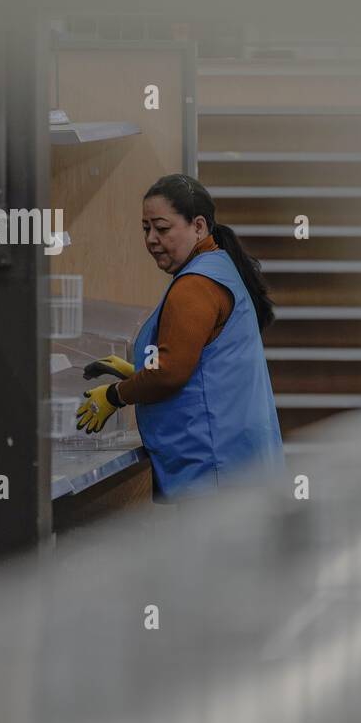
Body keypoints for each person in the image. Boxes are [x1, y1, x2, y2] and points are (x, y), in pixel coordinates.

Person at [76, 174, 283, 500]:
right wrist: (139, 374)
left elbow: (172, 372)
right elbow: (203, 367)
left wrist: (115, 394)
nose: (151, 239)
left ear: (198, 226)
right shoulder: (218, 267)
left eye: (162, 228)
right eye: (146, 229)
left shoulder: (195, 285)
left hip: (215, 469)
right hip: (236, 461)